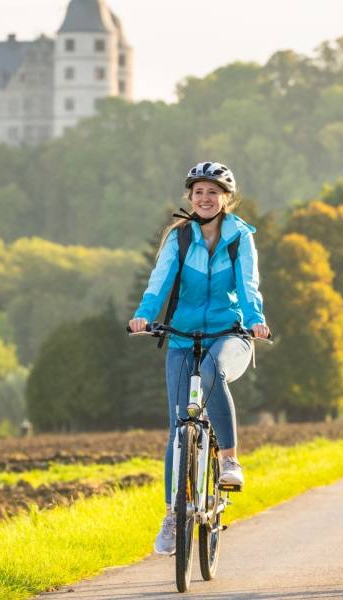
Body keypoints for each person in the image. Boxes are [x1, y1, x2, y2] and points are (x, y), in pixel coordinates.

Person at [128, 161, 270, 556]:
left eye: (213, 192)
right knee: (179, 427)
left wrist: (256, 322)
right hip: (181, 336)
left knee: (213, 372)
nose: (205, 199)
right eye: (198, 192)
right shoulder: (180, 238)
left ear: (226, 199)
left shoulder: (240, 237)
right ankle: (174, 515)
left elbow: (248, 286)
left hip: (229, 334)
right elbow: (159, 281)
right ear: (190, 198)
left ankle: (228, 461)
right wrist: (145, 314)